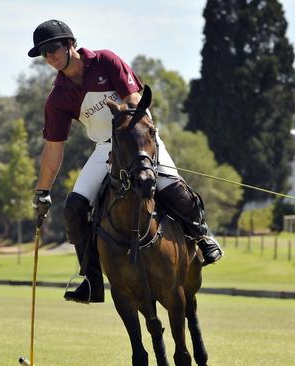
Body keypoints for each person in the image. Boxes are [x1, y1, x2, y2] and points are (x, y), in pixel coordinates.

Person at [29, 20, 223, 304]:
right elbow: (53, 148)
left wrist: (129, 148)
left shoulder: (105, 61)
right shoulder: (58, 97)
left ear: (71, 44)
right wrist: (43, 191)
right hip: (105, 149)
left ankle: (203, 237)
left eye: (53, 48)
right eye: (43, 53)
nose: (49, 56)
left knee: (174, 190)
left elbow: (134, 101)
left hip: (139, 139)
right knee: (74, 209)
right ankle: (90, 279)